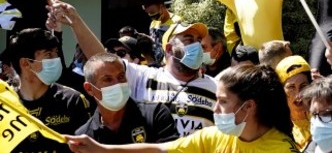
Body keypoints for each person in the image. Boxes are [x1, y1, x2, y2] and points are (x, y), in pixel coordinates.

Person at [47, 1, 217, 137]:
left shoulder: (217, 87)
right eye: (188, 40)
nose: (196, 45)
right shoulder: (144, 77)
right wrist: (76, 22)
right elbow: (100, 58)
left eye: (198, 41)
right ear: (169, 49)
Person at [65, 64, 300, 153]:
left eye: (223, 101)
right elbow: (161, 150)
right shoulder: (215, 136)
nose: (215, 109)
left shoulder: (279, 149)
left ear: (248, 106)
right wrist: (102, 150)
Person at [7, 28, 92, 153]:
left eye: (56, 52)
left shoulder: (73, 101)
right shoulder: (6, 105)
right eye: (48, 54)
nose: (56, 59)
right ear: (25, 63)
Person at [76, 53, 178, 143]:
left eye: (121, 77)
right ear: (89, 89)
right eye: (107, 79)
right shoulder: (84, 136)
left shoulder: (156, 114)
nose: (118, 84)